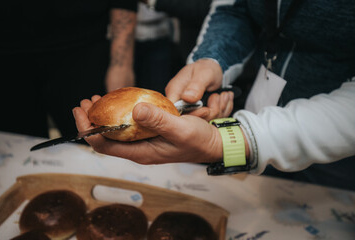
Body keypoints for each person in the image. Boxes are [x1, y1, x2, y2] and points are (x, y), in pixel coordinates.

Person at [72, 0, 355, 191]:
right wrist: (211, 59)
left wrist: (225, 142)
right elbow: (236, 9)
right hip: (258, 113)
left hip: (338, 154)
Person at [0, 0, 137, 138]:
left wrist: (121, 65)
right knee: (16, 149)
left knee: (100, 142)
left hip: (83, 50)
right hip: (4, 56)